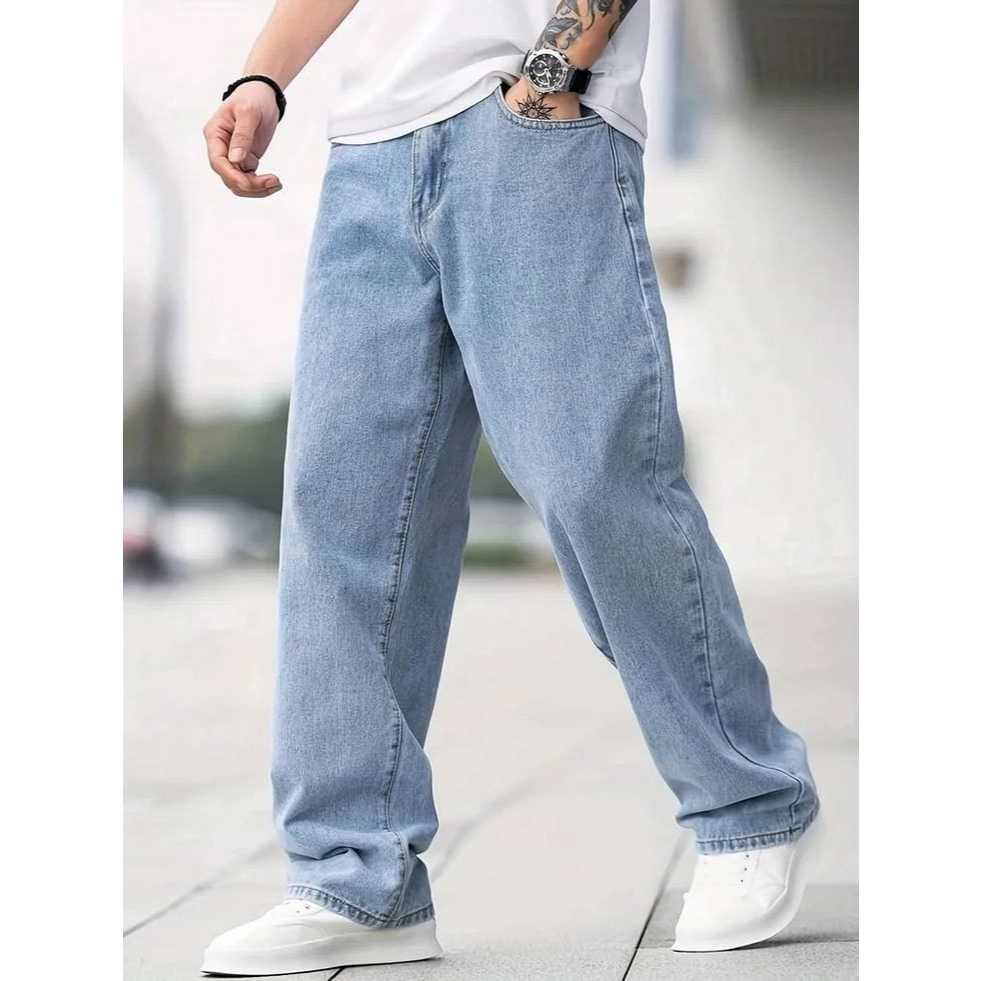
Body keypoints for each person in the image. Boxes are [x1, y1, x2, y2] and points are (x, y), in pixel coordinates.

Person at [200, 1, 821, 974]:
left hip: (534, 125)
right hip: (371, 148)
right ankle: (355, 878)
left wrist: (554, 71)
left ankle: (750, 803)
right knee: (344, 516)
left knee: (592, 479)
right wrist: (262, 78)